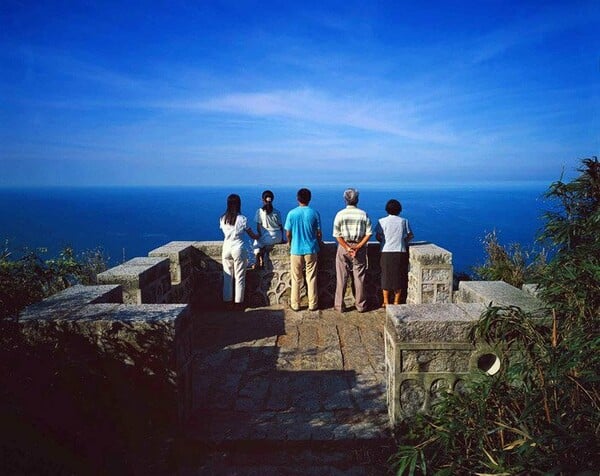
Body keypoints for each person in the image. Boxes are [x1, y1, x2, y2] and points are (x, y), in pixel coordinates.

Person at [332, 188, 373, 313]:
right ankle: (360, 305)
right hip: (359, 248)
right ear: (357, 200)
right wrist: (358, 246)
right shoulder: (363, 214)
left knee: (341, 277)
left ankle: (339, 305)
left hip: (344, 248)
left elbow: (337, 235)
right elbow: (369, 233)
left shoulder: (340, 214)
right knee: (359, 277)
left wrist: (347, 247)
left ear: (345, 200)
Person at [284, 188, 322, 311]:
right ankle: (313, 304)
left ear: (297, 198)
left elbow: (288, 233)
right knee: (311, 277)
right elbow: (319, 233)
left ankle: (295, 304)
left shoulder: (292, 213)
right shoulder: (314, 213)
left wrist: (290, 243)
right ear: (309, 199)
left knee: (296, 278)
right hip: (311, 249)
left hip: (296, 249)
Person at [219, 194, 259, 309]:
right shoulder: (242, 219)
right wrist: (259, 236)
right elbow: (252, 234)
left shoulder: (222, 219)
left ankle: (227, 302)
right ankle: (238, 303)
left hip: (226, 248)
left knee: (227, 277)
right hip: (238, 248)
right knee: (239, 277)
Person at [375, 199, 413, 307]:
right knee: (398, 276)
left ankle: (386, 301)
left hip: (386, 251)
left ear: (387, 209)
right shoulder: (404, 221)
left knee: (385, 276)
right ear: (399, 209)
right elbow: (410, 235)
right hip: (400, 251)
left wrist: (383, 241)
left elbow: (378, 235)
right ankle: (396, 301)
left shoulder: (381, 221)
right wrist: (403, 241)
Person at [252, 190, 284, 269]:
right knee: (262, 242)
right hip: (278, 237)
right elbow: (281, 227)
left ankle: (257, 262)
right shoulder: (277, 212)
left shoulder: (259, 212)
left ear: (263, 200)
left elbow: (258, 227)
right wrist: (282, 239)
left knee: (256, 242)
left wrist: (259, 236)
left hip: (268, 237)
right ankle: (262, 259)